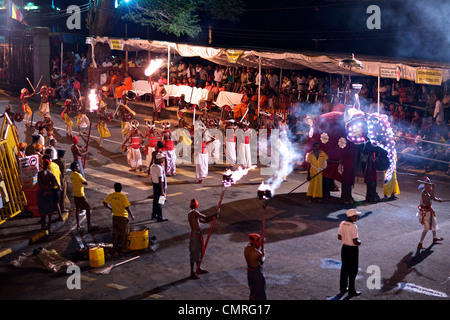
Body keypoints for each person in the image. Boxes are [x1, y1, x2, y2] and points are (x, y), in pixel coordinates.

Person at [188, 198, 218, 279]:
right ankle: (192, 272)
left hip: (197, 235)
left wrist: (212, 219)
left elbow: (203, 221)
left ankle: (198, 269)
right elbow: (204, 217)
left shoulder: (193, 213)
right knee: (194, 253)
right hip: (195, 236)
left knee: (198, 252)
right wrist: (214, 214)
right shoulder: (194, 212)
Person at [103, 183, 135, 254]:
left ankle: (116, 247)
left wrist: (111, 208)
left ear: (114, 188)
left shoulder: (111, 195)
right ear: (121, 189)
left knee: (116, 233)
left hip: (115, 216)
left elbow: (105, 203)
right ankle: (123, 248)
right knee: (124, 234)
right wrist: (131, 215)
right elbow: (127, 207)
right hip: (123, 217)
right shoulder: (123, 196)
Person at [337, 209, 362, 299]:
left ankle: (343, 288)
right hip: (352, 250)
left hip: (344, 248)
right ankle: (352, 291)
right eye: (356, 216)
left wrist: (346, 238)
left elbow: (339, 237)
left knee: (344, 269)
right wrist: (359, 242)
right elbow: (355, 241)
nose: (357, 217)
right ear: (352, 217)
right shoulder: (354, 226)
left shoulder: (342, 223)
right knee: (353, 270)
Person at [417, 177, 444, 250]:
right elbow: (428, 200)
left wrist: (438, 200)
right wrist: (434, 190)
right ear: (425, 185)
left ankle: (434, 238)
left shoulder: (430, 190)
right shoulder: (424, 193)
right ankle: (420, 243)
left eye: (430, 183)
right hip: (424, 212)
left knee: (434, 223)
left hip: (429, 210)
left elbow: (433, 198)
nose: (430, 185)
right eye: (428, 184)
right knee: (426, 228)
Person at [70, 162, 98, 231]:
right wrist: (82, 176)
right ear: (75, 168)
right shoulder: (78, 175)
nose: (79, 167)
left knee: (77, 209)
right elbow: (85, 183)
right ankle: (89, 225)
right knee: (88, 208)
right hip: (81, 194)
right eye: (77, 167)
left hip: (75, 194)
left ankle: (78, 225)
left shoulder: (72, 175)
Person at [37, 158, 61, 230]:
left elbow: (40, 183)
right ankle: (49, 225)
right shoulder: (50, 173)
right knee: (49, 209)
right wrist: (49, 189)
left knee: (42, 209)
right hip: (49, 192)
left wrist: (44, 190)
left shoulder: (40, 173)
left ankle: (43, 225)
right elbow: (54, 181)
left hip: (42, 192)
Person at [244, 233, 266, 300]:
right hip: (257, 273)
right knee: (260, 292)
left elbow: (255, 247)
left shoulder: (246, 249)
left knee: (253, 291)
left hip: (250, 273)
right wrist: (263, 254)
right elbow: (261, 261)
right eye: (259, 241)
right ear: (256, 242)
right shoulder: (257, 253)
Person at [150, 152, 168, 222]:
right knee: (160, 201)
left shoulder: (152, 166)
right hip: (159, 185)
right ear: (158, 159)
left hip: (155, 184)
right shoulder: (159, 168)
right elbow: (160, 179)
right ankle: (160, 217)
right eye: (162, 158)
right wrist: (162, 191)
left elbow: (152, 177)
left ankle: (154, 215)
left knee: (155, 201)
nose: (163, 160)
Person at [54, 149, 70, 213]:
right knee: (63, 194)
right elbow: (63, 173)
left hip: (55, 178)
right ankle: (62, 208)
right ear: (63, 155)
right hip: (61, 179)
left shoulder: (54, 161)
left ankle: (56, 207)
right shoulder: (62, 162)